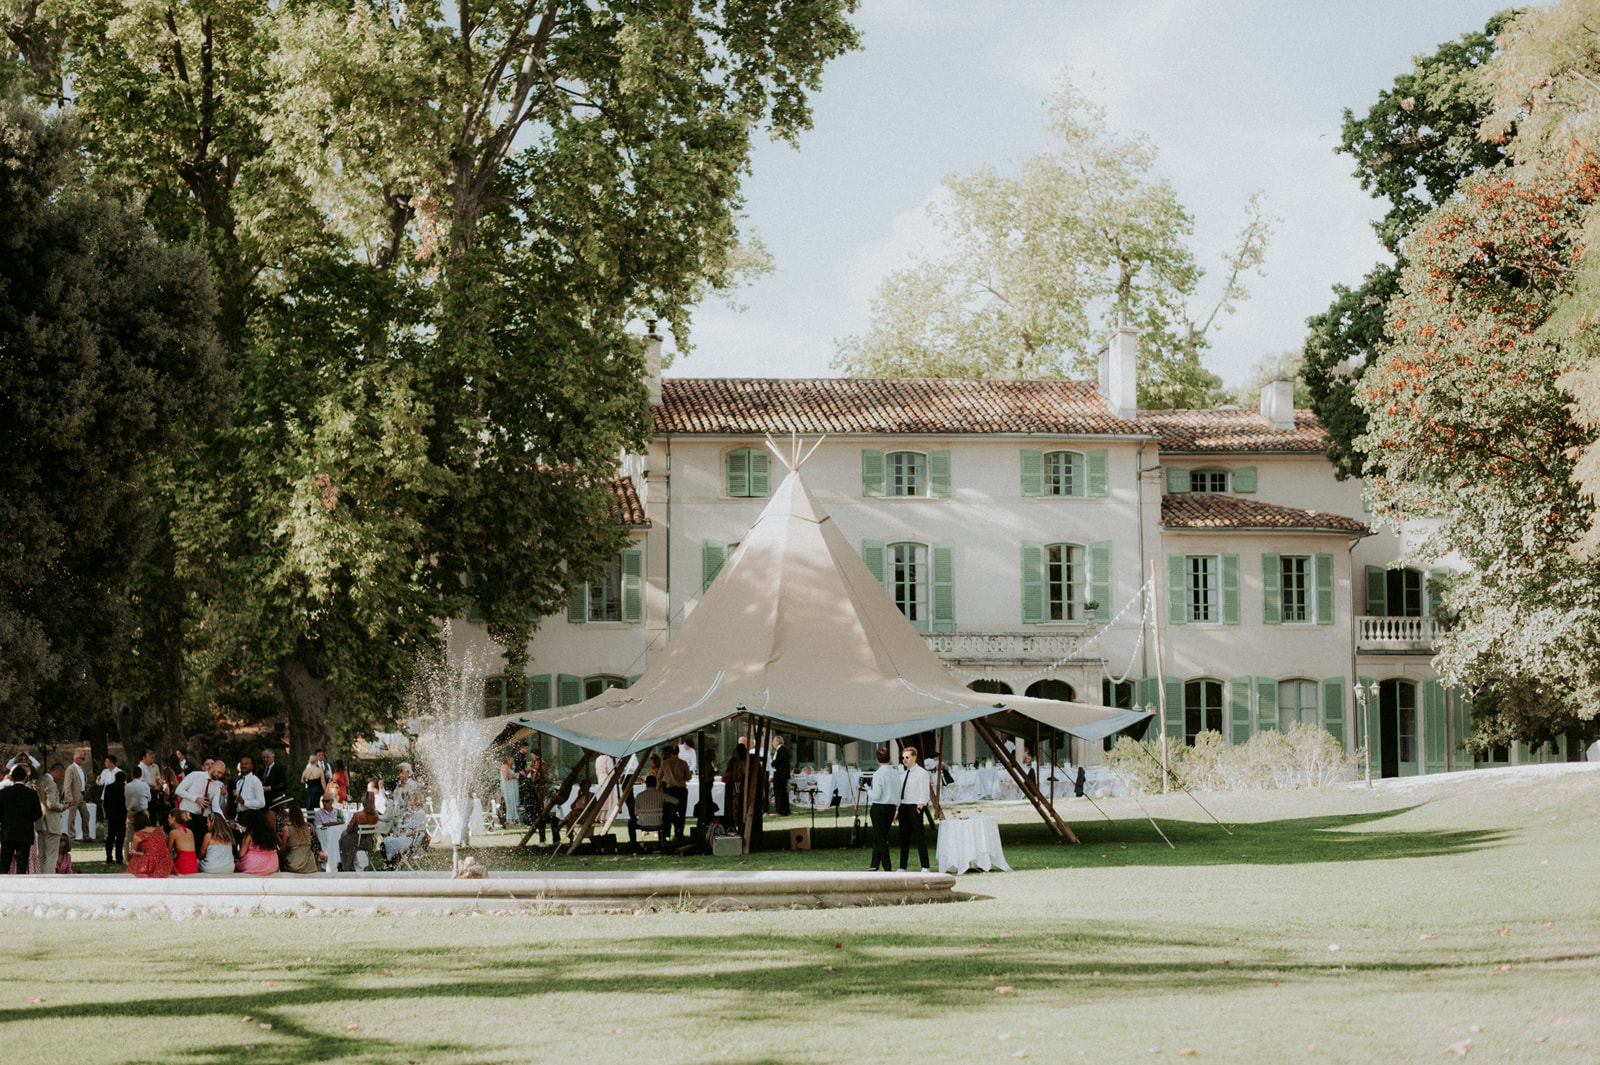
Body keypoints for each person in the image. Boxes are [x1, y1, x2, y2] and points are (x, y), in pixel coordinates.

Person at [894, 745, 932, 873]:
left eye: (907, 757)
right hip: (904, 807)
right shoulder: (903, 774)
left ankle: (925, 866)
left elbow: (924, 791)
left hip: (914, 807)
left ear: (914, 757)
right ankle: (902, 866)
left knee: (919, 838)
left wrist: (920, 807)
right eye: (903, 758)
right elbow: (900, 793)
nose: (904, 760)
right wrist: (898, 810)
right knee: (904, 839)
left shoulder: (921, 773)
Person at [0, 764, 42, 873]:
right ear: (25, 778)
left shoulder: (3, 793)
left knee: (4, 862)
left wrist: (5, 821)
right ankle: (20, 886)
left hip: (7, 832)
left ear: (12, 778)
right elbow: (38, 813)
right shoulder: (32, 794)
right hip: (25, 832)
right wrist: (28, 820)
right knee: (22, 864)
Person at [867, 746, 897, 872]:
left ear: (877, 760)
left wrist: (868, 790)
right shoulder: (895, 773)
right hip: (891, 807)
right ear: (889, 758)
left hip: (879, 807)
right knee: (879, 835)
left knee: (881, 838)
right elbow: (898, 792)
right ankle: (874, 864)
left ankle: (887, 866)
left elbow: (876, 795)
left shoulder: (879, 773)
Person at [33, 761, 65, 875]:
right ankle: (50, 880)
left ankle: (41, 877)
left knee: (41, 855)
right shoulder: (51, 784)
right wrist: (63, 806)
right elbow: (51, 805)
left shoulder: (39, 781)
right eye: (61, 774)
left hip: (40, 822)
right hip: (51, 823)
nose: (61, 777)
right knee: (51, 856)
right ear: (57, 771)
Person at [339, 793, 381, 871]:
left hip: (357, 842)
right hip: (369, 842)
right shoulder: (375, 815)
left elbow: (349, 829)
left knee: (344, 837)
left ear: (363, 802)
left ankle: (346, 865)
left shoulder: (358, 815)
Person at [657, 744, 691, 841]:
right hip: (681, 790)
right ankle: (679, 832)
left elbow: (659, 777)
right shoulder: (683, 763)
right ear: (678, 752)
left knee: (668, 812)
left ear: (670, 752)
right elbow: (688, 777)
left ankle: (667, 833)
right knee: (682, 812)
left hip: (670, 790)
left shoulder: (665, 763)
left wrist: (657, 790)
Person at [126, 812, 175, 878]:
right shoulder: (159, 829)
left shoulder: (138, 835)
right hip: (166, 860)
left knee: (134, 857)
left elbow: (134, 851)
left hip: (151, 861)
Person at [236, 811, 280, 875]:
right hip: (273, 864)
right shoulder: (271, 833)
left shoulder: (249, 835)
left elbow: (241, 854)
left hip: (254, 865)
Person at [279, 804, 319, 874]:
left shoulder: (287, 829)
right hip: (309, 863)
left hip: (295, 862)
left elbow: (283, 848)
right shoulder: (306, 827)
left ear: (289, 816)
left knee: (280, 855)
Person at [102, 768, 127, 864]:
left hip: (112, 815)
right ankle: (119, 857)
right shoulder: (125, 788)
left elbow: (105, 802)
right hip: (122, 814)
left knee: (110, 836)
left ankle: (109, 857)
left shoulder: (109, 788)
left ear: (115, 778)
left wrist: (107, 813)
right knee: (120, 837)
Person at [64, 750, 89, 842]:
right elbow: (67, 784)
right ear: (77, 759)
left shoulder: (81, 769)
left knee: (86, 815)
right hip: (74, 796)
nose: (84, 760)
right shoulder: (71, 769)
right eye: (82, 758)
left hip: (81, 795)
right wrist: (69, 797)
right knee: (72, 817)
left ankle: (86, 836)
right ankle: (71, 837)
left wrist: (85, 786)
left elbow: (79, 782)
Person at [123, 768, 151, 845]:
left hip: (131, 812)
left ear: (132, 775)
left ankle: (129, 855)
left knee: (129, 837)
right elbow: (149, 798)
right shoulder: (145, 785)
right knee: (145, 834)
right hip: (143, 811)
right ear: (141, 775)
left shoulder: (127, 786)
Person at [168, 810, 200, 875]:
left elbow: (167, 851)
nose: (167, 820)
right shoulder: (190, 831)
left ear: (173, 818)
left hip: (182, 867)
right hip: (194, 867)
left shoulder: (173, 832)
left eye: (169, 818)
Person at [770, 735, 792, 815]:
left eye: (774, 741)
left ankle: (781, 810)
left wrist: (773, 763)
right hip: (780, 774)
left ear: (778, 742)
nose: (772, 743)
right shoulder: (781, 750)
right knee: (781, 792)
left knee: (780, 793)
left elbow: (780, 760)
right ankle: (783, 810)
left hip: (780, 775)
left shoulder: (782, 750)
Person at [498, 755, 519, 827]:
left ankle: (513, 818)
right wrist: (514, 776)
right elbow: (506, 777)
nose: (511, 761)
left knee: (512, 801)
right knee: (509, 802)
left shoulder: (510, 766)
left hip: (511, 786)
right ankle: (509, 819)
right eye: (510, 759)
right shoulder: (504, 766)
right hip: (507, 787)